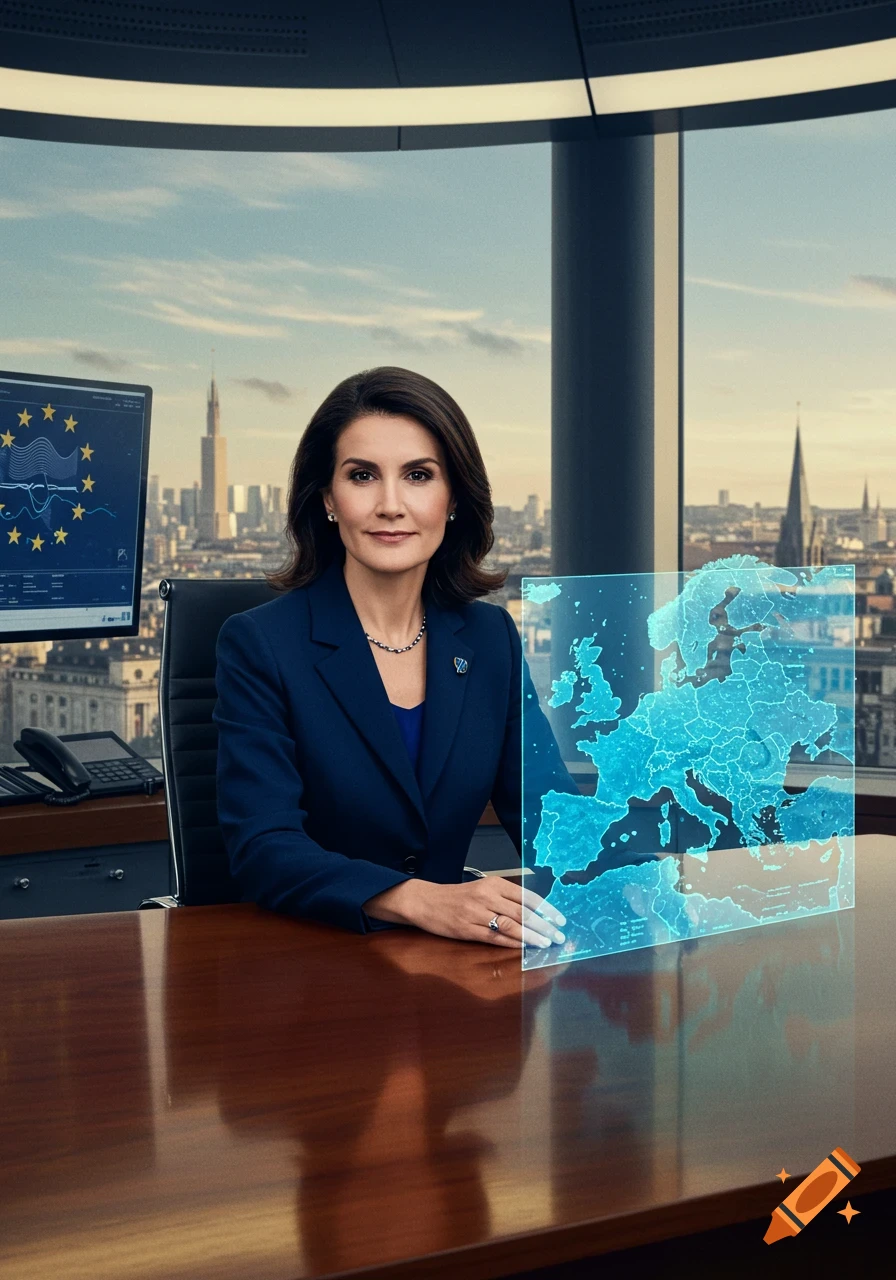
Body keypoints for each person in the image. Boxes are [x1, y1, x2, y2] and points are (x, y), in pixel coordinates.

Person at [213, 366, 578, 949]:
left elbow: (553, 817)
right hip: (310, 963)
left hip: (452, 972)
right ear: (328, 499)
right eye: (362, 476)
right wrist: (420, 899)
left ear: (453, 496)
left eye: (418, 475)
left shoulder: (490, 639)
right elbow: (264, 848)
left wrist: (649, 876)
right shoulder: (261, 643)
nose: (390, 504)